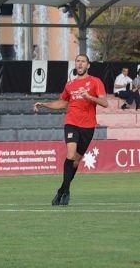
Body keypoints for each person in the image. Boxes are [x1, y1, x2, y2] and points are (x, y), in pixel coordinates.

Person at [34, 54, 108, 206]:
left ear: (88, 65)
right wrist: (44, 104)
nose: (80, 64)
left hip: (88, 126)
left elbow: (105, 103)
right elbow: (62, 103)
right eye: (77, 61)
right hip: (71, 123)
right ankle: (65, 191)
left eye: (83, 61)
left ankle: (62, 190)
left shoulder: (96, 81)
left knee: (75, 162)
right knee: (70, 154)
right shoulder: (70, 84)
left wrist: (89, 97)